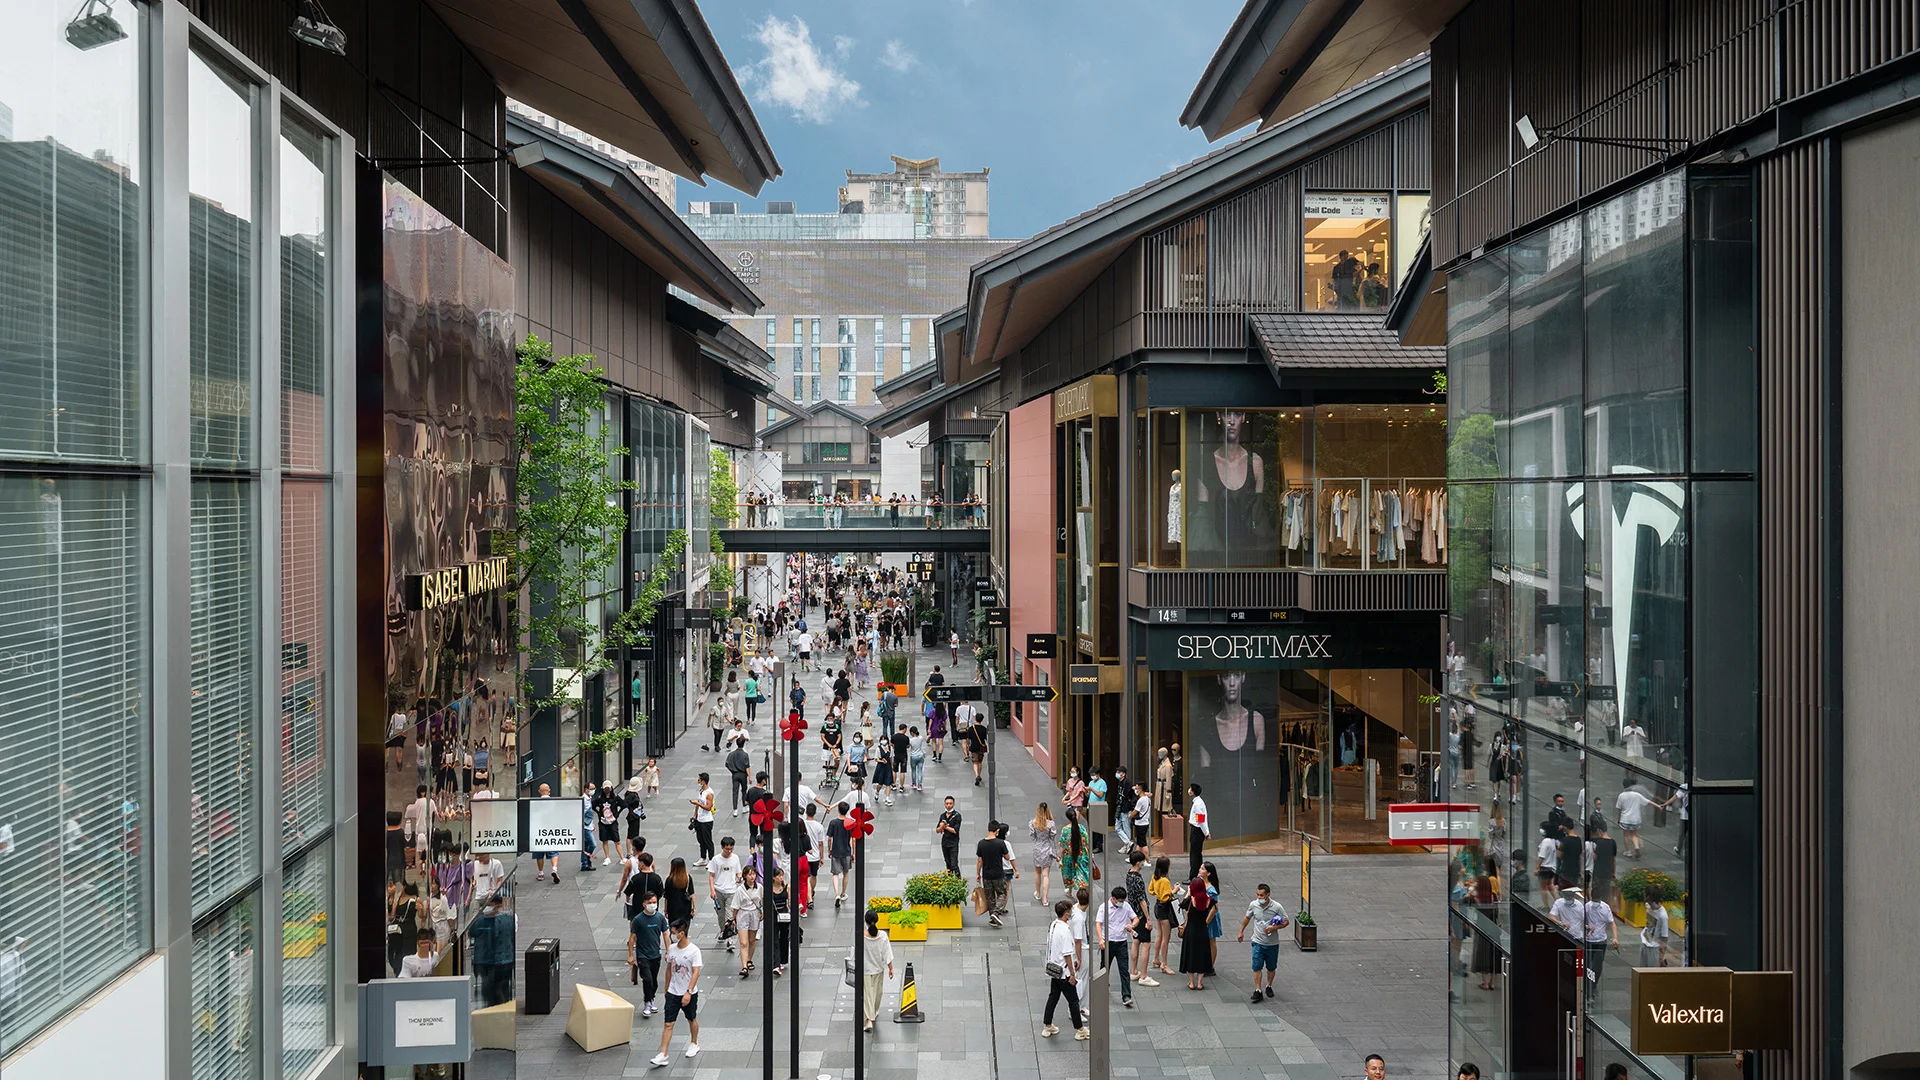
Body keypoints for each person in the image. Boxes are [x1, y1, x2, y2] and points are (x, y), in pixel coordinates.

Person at [650, 921, 701, 1066]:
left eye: (673, 932)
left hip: (688, 992)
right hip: (673, 992)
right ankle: (663, 1053)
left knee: (691, 1018)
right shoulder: (672, 949)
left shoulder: (694, 951)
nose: (672, 935)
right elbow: (669, 969)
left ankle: (694, 1043)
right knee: (668, 1023)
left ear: (681, 933)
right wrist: (666, 988)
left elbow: (696, 972)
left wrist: (688, 992)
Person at [1042, 899, 1088, 1040]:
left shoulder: (1053, 925)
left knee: (1053, 997)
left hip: (1053, 969)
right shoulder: (1065, 931)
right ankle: (1080, 1029)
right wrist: (1072, 974)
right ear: (1066, 914)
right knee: (1073, 1001)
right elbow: (1067, 954)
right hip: (1064, 972)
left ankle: (1047, 1025)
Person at [1237, 882, 1290, 1003]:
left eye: (1261, 895)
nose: (1259, 898)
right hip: (1257, 941)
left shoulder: (1277, 907)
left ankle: (1269, 986)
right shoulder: (1253, 905)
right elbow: (1247, 918)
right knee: (1256, 966)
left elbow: (1286, 921)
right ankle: (1258, 990)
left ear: (1268, 895)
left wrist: (1274, 928)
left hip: (1272, 943)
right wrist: (1241, 931)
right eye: (1257, 895)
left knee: (1271, 967)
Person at [470, 892, 516, 1006]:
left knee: (492, 992)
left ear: (497, 905)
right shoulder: (507, 919)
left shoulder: (481, 920)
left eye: (491, 903)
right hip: (500, 962)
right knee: (499, 991)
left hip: (492, 962)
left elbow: (472, 933)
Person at [854, 909, 895, 1033]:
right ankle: (874, 1013)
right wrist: (890, 968)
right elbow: (887, 953)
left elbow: (857, 953)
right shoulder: (882, 935)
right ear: (877, 920)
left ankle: (869, 1019)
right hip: (878, 968)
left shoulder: (861, 936)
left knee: (868, 995)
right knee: (877, 993)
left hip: (865, 970)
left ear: (865, 922)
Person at [628, 891, 669, 1010]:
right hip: (642, 955)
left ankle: (651, 998)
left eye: (654, 902)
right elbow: (632, 938)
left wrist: (668, 951)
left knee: (654, 981)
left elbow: (666, 934)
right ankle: (647, 1002)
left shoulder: (660, 918)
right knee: (647, 979)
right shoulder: (638, 919)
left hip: (655, 954)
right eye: (649, 902)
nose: (652, 905)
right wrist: (631, 955)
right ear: (644, 904)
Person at [1124, 849, 1158, 987]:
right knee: (1146, 943)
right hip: (1140, 914)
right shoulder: (1138, 879)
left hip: (1132, 913)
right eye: (1142, 861)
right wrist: (1148, 918)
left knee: (1136, 941)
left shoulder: (1129, 875)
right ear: (1138, 863)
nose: (1144, 863)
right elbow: (1142, 900)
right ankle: (1143, 975)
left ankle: (1134, 971)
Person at [1101, 885, 1138, 1008]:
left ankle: (1126, 995)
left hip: (1121, 942)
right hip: (1109, 942)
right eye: (1120, 901)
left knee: (1124, 970)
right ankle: (1102, 986)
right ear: (1114, 898)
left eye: (1123, 901)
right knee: (1104, 967)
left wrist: (1131, 926)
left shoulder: (1126, 906)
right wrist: (1101, 939)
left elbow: (1135, 919)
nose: (1122, 903)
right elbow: (1098, 923)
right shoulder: (1104, 907)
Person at [1178, 873, 1216, 989]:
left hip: (1191, 931)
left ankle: (1191, 982)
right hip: (1202, 930)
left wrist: (1188, 893)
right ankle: (1200, 983)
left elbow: (1181, 905)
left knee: (1190, 954)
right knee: (1202, 954)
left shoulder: (1191, 900)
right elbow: (1214, 908)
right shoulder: (1208, 900)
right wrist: (1206, 922)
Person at [976, 820, 1016, 926]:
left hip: (986, 874)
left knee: (990, 897)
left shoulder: (981, 843)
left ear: (988, 829)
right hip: (998, 874)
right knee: (1002, 893)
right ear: (997, 830)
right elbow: (1007, 857)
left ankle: (992, 917)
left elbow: (980, 860)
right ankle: (996, 912)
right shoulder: (1000, 843)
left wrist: (978, 874)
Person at [708, 838, 742, 952]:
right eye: (727, 849)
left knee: (729, 915)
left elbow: (738, 871)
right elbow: (711, 875)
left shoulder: (735, 858)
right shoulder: (716, 859)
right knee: (720, 915)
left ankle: (730, 939)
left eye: (731, 849)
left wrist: (739, 877)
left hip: (731, 890)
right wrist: (712, 890)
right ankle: (723, 930)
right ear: (722, 847)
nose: (729, 851)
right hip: (718, 890)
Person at [1614, 778, 1663, 859]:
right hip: (1635, 819)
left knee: (1626, 835)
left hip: (1625, 819)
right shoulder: (1637, 795)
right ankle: (1637, 847)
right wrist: (1658, 806)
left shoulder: (1621, 796)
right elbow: (1648, 801)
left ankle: (1628, 852)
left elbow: (1619, 808)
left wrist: (1619, 819)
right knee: (1633, 834)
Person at [1149, 856, 1178, 976]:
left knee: (1160, 934)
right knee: (1166, 937)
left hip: (1157, 906)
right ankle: (1164, 964)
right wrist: (1175, 890)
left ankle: (1156, 959)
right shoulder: (1165, 880)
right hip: (1164, 908)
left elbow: (1151, 890)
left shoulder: (1155, 877)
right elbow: (1166, 896)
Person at [733, 865, 762, 978]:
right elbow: (735, 906)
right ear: (745, 876)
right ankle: (744, 966)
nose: (752, 877)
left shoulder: (759, 887)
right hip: (743, 914)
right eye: (750, 874)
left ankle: (749, 959)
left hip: (754, 913)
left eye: (753, 874)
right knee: (743, 942)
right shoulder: (740, 890)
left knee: (752, 940)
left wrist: (762, 912)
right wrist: (733, 918)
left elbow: (762, 900)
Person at [1029, 803, 1059, 905]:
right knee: (1046, 874)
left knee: (1037, 872)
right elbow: (1052, 837)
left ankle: (1038, 893)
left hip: (1037, 848)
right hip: (1047, 849)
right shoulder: (1050, 824)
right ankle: (1045, 899)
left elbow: (1033, 837)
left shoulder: (1033, 823)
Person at [827, 801, 855, 906]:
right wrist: (854, 853)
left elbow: (829, 838)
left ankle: (837, 894)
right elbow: (853, 840)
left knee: (835, 874)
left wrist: (829, 850)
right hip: (846, 851)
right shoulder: (850, 823)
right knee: (846, 873)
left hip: (836, 851)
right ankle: (843, 893)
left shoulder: (833, 823)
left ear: (838, 810)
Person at [1638, 883, 1671, 967]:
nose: (1643, 895)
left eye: (1645, 894)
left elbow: (1664, 938)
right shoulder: (1648, 906)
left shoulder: (1662, 916)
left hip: (1654, 948)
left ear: (1649, 897)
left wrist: (1661, 956)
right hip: (1645, 943)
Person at [662, 857, 697, 932]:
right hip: (685, 907)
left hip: (673, 908)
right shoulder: (687, 878)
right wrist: (694, 908)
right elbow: (692, 894)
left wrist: (665, 910)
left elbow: (667, 897)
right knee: (684, 929)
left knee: (674, 929)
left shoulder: (669, 880)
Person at [690, 775, 717, 865]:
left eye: (699, 780)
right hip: (699, 819)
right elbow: (699, 804)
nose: (698, 782)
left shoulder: (709, 793)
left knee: (707, 840)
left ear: (703, 781)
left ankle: (711, 859)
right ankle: (703, 857)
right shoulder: (701, 791)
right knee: (700, 840)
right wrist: (695, 815)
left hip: (707, 821)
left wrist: (697, 803)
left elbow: (708, 807)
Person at [1186, 783, 1210, 881]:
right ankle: (1198, 874)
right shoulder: (1197, 802)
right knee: (1197, 854)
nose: (1189, 791)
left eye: (1190, 789)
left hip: (1197, 830)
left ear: (1193, 792)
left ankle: (1193, 877)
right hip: (1197, 829)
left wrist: (1206, 832)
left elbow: (1200, 820)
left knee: (1194, 854)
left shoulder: (1198, 804)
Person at [936, 797, 963, 877]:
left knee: (954, 864)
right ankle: (950, 881)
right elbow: (937, 830)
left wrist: (945, 827)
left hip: (953, 843)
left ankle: (959, 881)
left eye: (950, 803)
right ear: (944, 804)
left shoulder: (957, 816)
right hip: (945, 842)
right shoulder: (942, 816)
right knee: (948, 864)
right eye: (947, 803)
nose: (948, 805)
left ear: (953, 804)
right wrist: (942, 827)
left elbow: (955, 830)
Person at [725, 741, 751, 815]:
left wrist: (732, 771)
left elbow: (727, 764)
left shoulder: (731, 754)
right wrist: (749, 776)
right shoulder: (745, 755)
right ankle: (744, 806)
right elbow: (747, 766)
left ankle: (735, 809)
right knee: (744, 791)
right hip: (743, 774)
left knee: (735, 792)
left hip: (735, 774)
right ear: (743, 744)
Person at [962, 714, 988, 787]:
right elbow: (986, 738)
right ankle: (979, 774)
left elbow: (968, 739)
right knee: (980, 761)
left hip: (974, 747)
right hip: (981, 747)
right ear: (982, 720)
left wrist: (968, 744)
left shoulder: (971, 728)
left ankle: (977, 775)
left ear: (975, 719)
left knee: (975, 762)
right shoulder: (984, 729)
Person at [906, 726, 928, 792]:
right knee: (920, 771)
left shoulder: (911, 740)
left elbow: (908, 746)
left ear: (912, 733)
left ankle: (914, 784)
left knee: (913, 770)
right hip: (920, 755)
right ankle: (920, 785)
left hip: (913, 756)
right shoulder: (920, 738)